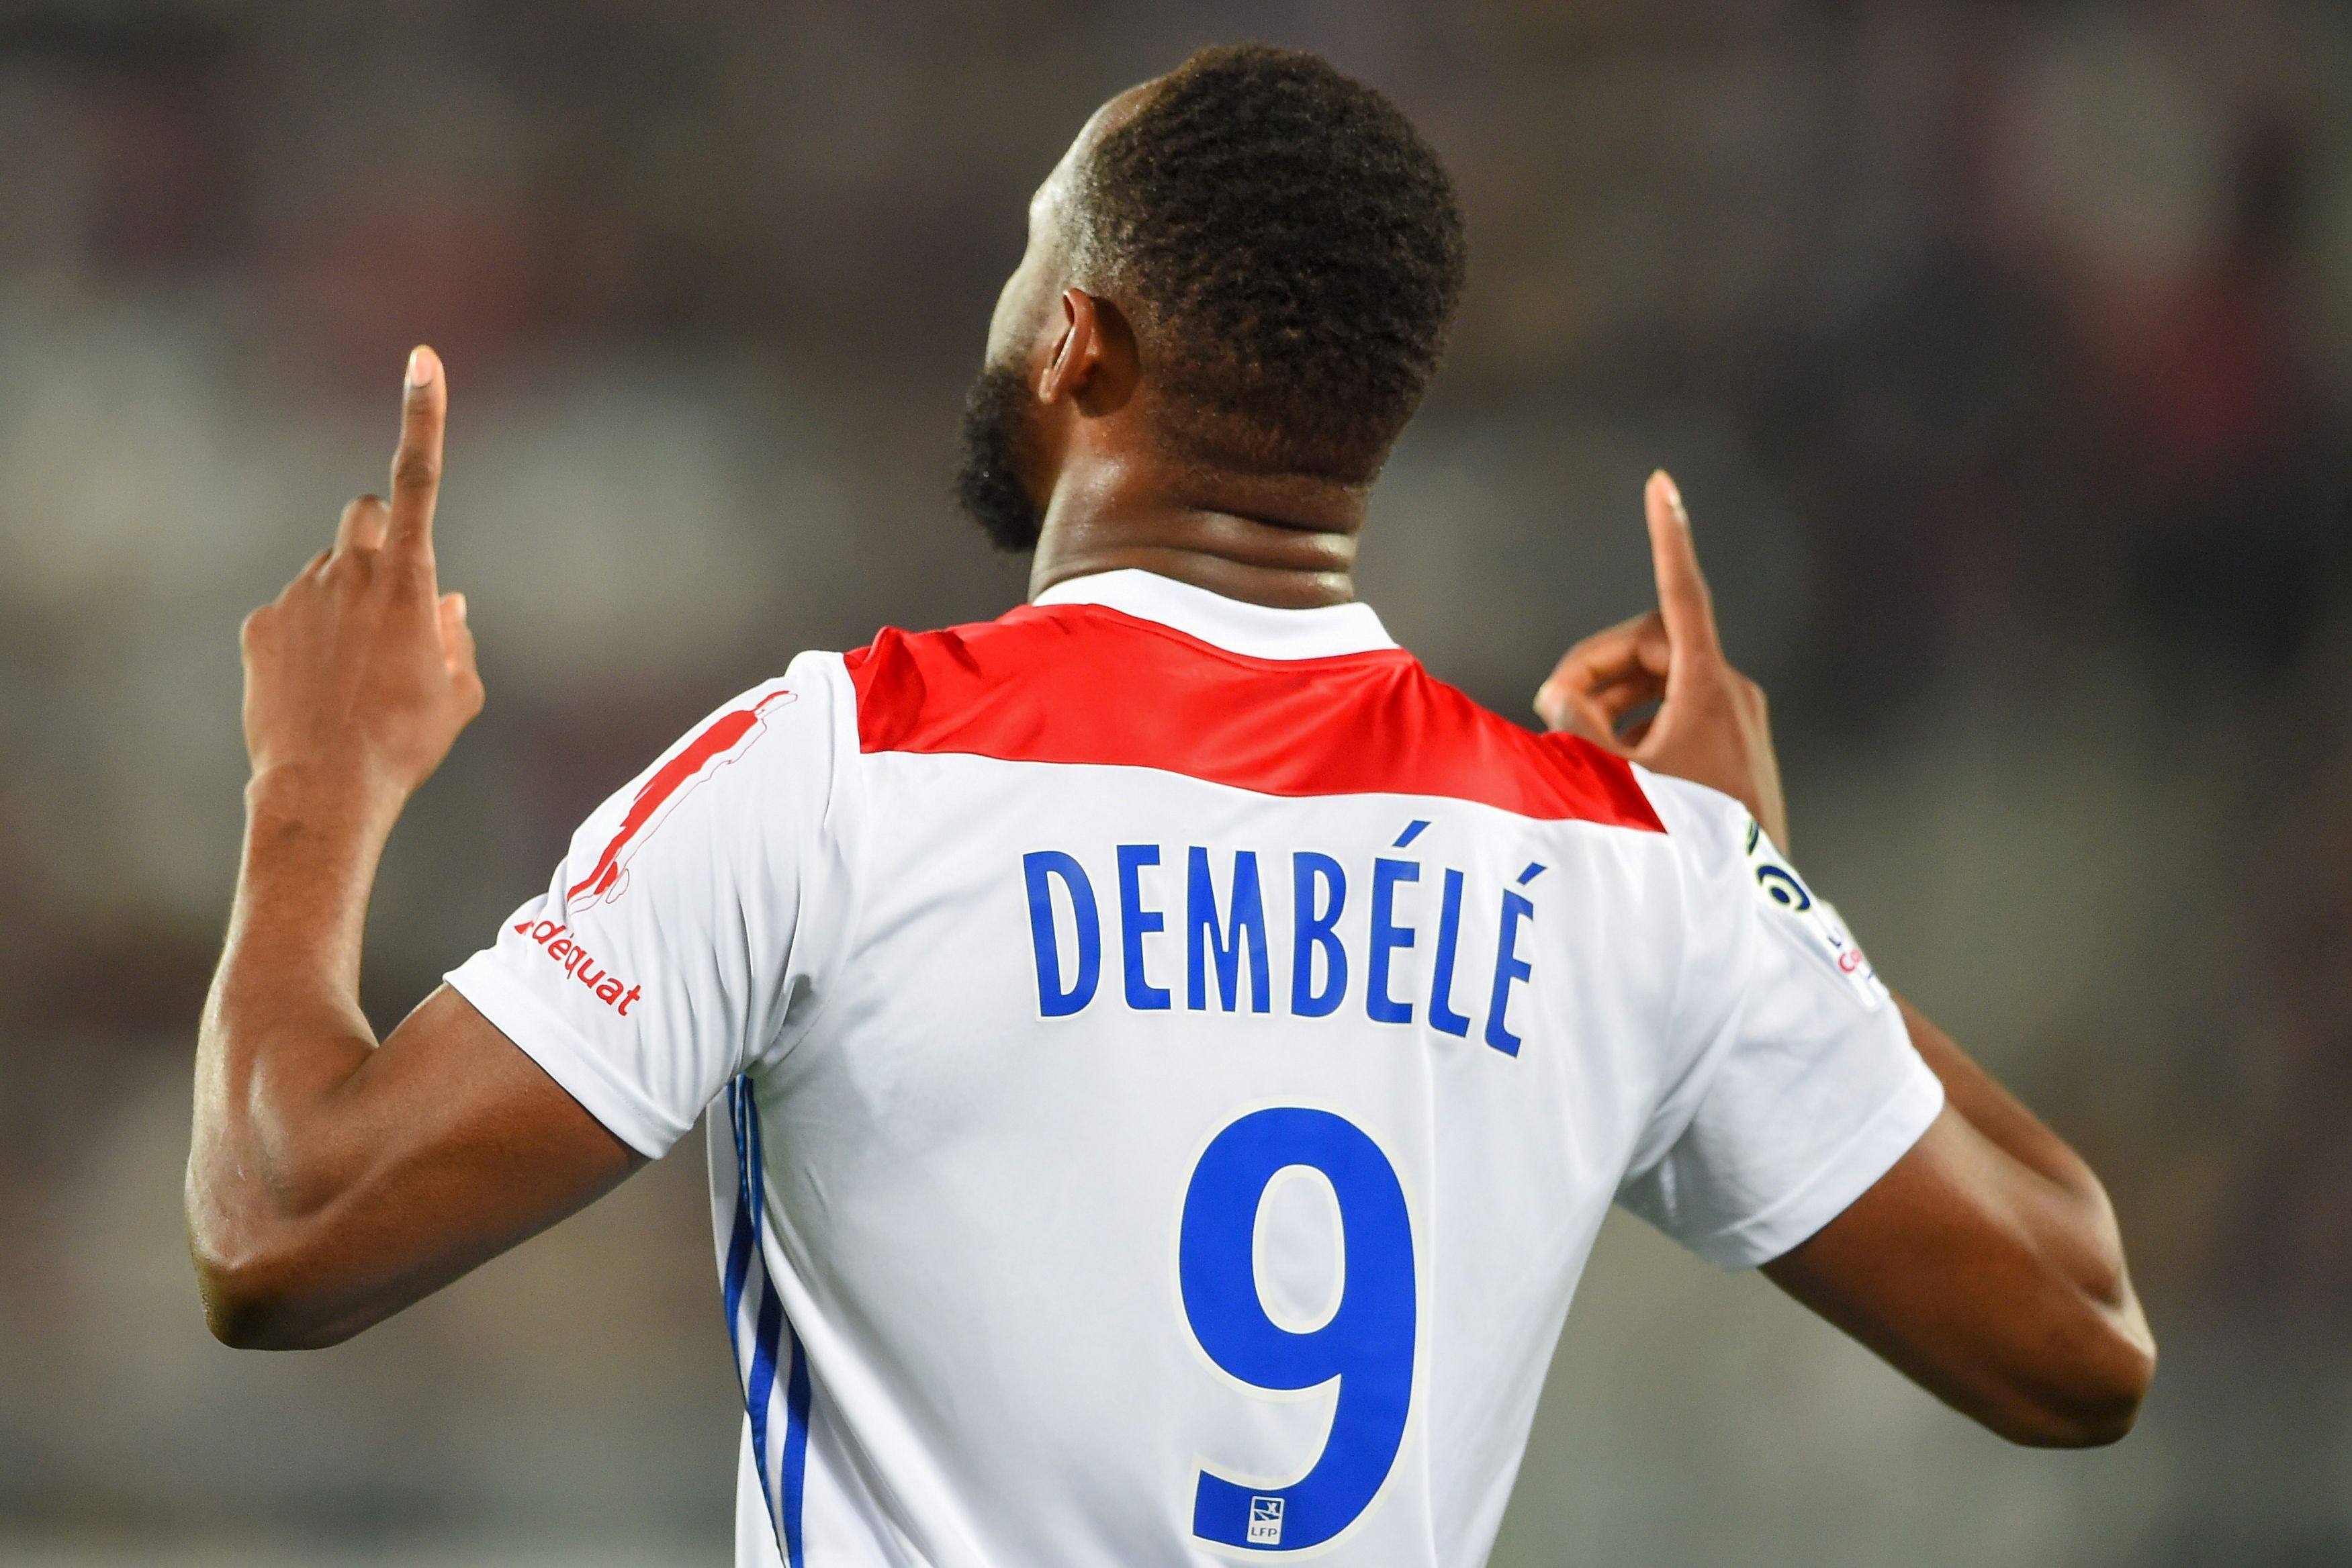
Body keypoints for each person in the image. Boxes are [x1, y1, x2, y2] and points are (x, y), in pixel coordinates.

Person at [187, 44, 2155, 1568]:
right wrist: (1754, 879)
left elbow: (287, 1230)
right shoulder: (1627, 877)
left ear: (1084, 335)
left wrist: (313, 786)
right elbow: (2081, 1332)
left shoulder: (845, 769)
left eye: (1030, 252)